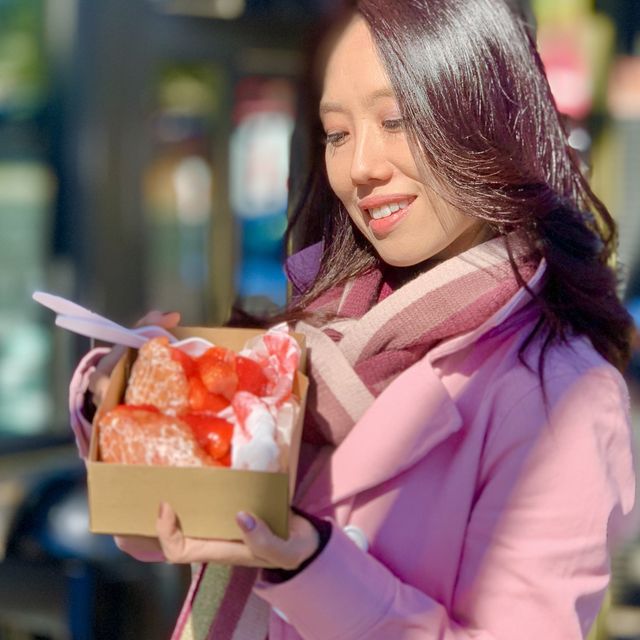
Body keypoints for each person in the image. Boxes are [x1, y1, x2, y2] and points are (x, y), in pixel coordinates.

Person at [69, 1, 637, 638]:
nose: (360, 165)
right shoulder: (308, 333)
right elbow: (158, 531)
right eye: (337, 133)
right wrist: (129, 412)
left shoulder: (563, 394)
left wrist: (310, 568)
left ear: (486, 120)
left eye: (396, 120)